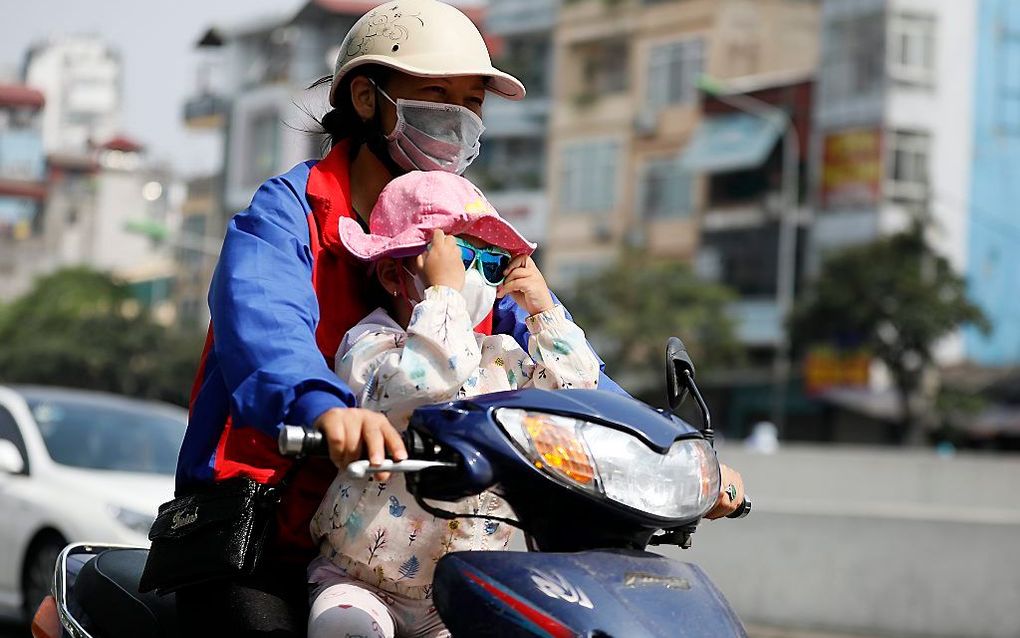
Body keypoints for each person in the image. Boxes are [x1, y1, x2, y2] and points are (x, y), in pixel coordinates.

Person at [166, 1, 745, 635]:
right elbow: (265, 331)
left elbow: (566, 377)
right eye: (436, 94)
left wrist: (659, 452)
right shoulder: (284, 216)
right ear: (367, 98)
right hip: (265, 532)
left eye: (474, 101)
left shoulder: (468, 244)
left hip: (427, 545)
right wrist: (325, 409)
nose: (459, 118)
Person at [306, 170, 600, 637]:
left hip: (458, 594)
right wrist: (444, 295)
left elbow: (577, 402)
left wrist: (545, 314)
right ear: (392, 273)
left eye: (491, 266)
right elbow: (425, 383)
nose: (474, 281)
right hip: (360, 579)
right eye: (461, 260)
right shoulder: (373, 344)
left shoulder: (500, 358)